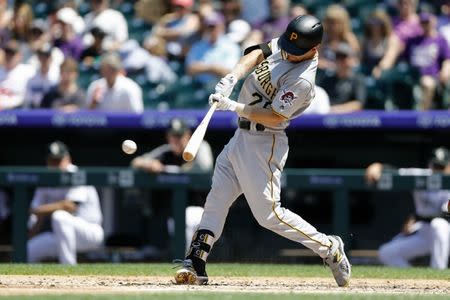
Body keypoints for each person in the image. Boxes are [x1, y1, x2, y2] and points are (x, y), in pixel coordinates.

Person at [174, 15, 351, 287]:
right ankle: (195, 262)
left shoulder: (302, 81)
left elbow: (275, 117)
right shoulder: (289, 44)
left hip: (264, 142)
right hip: (240, 137)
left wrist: (234, 106)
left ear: (313, 50)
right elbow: (258, 52)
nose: (288, 54)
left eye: (296, 52)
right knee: (217, 199)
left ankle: (329, 247)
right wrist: (232, 76)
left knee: (269, 215)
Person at [132, 118, 214, 249]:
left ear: (188, 135)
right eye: (173, 136)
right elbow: (136, 162)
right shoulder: (166, 152)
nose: (176, 140)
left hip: (202, 209)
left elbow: (204, 167)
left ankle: (188, 262)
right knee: (178, 222)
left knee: (186, 219)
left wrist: (167, 169)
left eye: (179, 136)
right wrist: (150, 164)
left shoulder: (199, 147)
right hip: (174, 212)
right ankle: (186, 261)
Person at [365, 147, 450, 269]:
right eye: (435, 165)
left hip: (446, 233)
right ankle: (418, 279)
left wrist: (415, 217)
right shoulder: (421, 176)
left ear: (448, 166)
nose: (437, 169)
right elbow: (395, 173)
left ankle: (438, 272)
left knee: (439, 224)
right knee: (386, 253)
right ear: (430, 164)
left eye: (441, 166)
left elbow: (445, 214)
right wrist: (378, 167)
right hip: (424, 232)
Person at [27, 141, 104, 265]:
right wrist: (29, 235)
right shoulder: (45, 178)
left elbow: (69, 206)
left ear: (67, 159)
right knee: (29, 249)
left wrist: (38, 210)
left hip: (89, 233)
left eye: (58, 160)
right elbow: (37, 217)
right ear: (47, 161)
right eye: (52, 160)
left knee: (59, 216)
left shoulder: (76, 174)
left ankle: (68, 267)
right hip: (61, 236)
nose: (56, 164)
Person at [185, 12, 241, 90]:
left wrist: (205, 67)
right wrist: (213, 68)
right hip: (199, 87)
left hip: (222, 89)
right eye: (208, 26)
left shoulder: (231, 47)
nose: (210, 29)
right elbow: (190, 69)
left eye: (213, 26)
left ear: (222, 27)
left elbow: (229, 72)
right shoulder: (198, 46)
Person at [319, 43, 366, 113]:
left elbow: (358, 103)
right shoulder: (326, 80)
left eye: (343, 57)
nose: (340, 60)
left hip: (350, 120)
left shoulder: (357, 80)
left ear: (351, 60)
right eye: (338, 57)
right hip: (327, 118)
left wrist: (336, 110)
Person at [0, 40, 36, 110]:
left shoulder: (28, 71)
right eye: (7, 53)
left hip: (20, 111)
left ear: (20, 55)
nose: (9, 56)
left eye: (12, 53)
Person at [24, 43, 60, 108]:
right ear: (38, 58)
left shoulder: (57, 77)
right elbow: (28, 100)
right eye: (41, 56)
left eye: (47, 56)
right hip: (35, 110)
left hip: (52, 110)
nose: (44, 59)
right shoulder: (31, 79)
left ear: (51, 58)